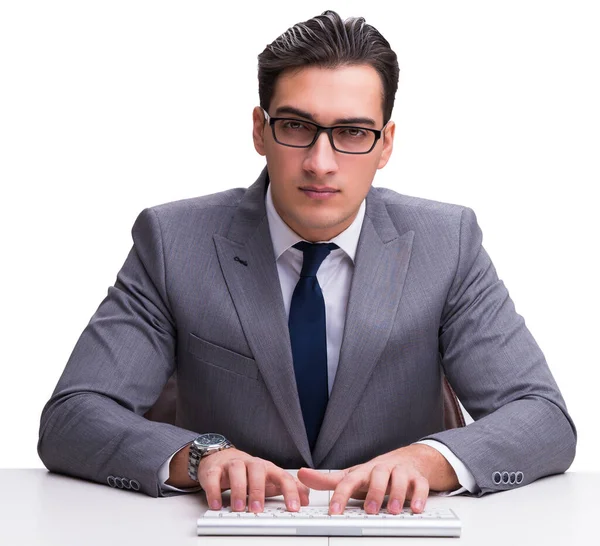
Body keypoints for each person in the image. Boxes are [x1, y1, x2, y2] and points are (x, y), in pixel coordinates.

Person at [38, 10, 576, 516]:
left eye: (352, 133)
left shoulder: (447, 243)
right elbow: (74, 416)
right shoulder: (173, 241)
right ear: (259, 130)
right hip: (228, 527)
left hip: (399, 528)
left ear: (385, 144)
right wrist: (200, 456)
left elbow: (542, 417)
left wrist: (429, 460)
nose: (321, 163)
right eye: (296, 127)